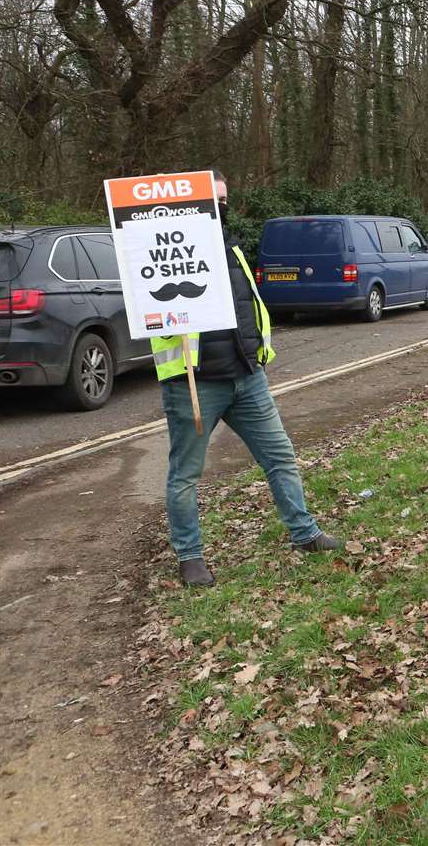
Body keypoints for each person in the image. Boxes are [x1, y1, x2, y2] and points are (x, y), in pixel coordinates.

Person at [153, 171, 342, 588]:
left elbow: (247, 307)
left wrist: (256, 355)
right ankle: (190, 557)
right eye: (211, 200)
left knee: (280, 456)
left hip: (246, 376)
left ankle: (304, 533)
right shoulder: (161, 257)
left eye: (224, 199)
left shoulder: (231, 246)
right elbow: (153, 318)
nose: (220, 207)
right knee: (185, 474)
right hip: (194, 384)